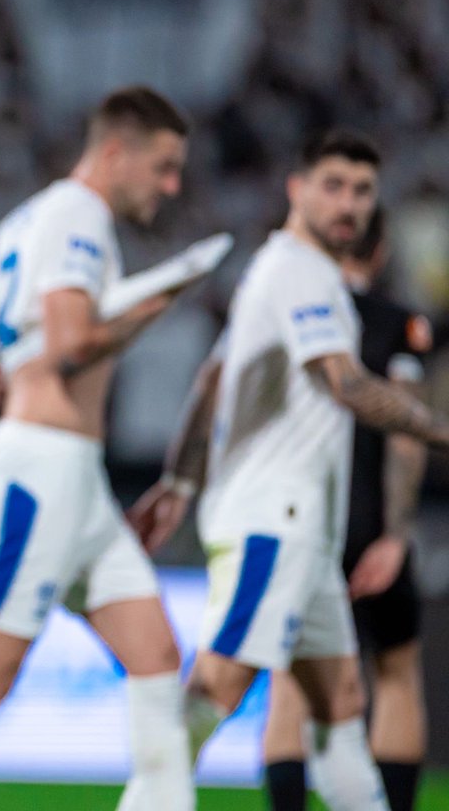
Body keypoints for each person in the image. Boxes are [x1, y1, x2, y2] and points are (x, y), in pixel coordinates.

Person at [0, 87, 200, 811]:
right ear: (115, 152)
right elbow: (70, 345)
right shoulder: (82, 216)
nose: (172, 186)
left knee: (157, 662)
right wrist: (148, 308)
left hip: (72, 484)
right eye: (162, 167)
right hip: (44, 475)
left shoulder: (28, 217)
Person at [132, 130, 449, 811]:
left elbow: (215, 381)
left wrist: (182, 481)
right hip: (276, 521)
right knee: (213, 692)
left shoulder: (287, 273)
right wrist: (441, 429)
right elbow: (346, 384)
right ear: (296, 189)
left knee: (342, 702)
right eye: (333, 185)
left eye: (362, 190)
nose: (349, 203)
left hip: (305, 531)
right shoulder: (300, 271)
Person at [259, 209, 430, 811]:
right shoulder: (394, 324)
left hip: (298, 517)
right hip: (369, 518)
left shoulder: (280, 315)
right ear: (380, 253)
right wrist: (395, 534)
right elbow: (406, 431)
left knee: (289, 679)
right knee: (396, 670)